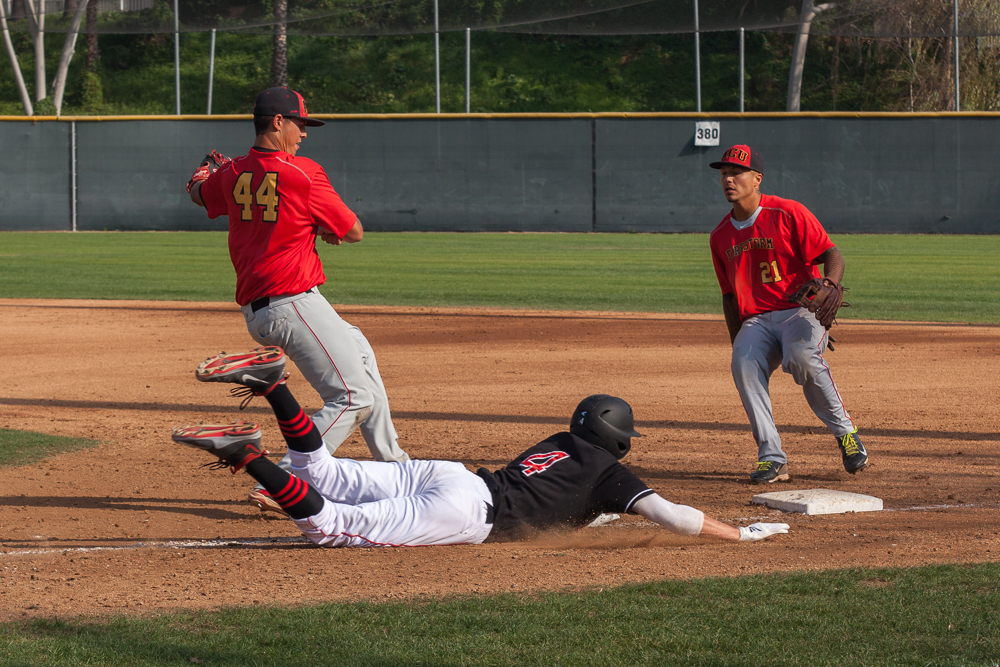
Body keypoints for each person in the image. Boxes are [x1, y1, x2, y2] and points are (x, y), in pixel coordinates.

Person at [172, 346, 790, 547]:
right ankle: (245, 454)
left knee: (321, 468)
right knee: (330, 526)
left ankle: (277, 387)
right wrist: (741, 534)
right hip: (464, 511)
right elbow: (675, 517)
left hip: (454, 476)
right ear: (615, 440)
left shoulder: (561, 441)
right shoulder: (610, 475)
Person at [186, 87, 410, 512]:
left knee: (361, 353)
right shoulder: (302, 172)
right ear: (277, 122)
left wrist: (199, 180)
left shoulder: (230, 173)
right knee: (352, 398)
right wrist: (324, 226)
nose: (304, 133)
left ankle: (398, 469)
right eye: (300, 123)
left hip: (269, 305)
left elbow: (200, 194)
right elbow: (354, 230)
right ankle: (283, 480)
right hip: (292, 302)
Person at [707, 144, 868, 484]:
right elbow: (728, 296)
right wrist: (740, 345)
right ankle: (772, 457)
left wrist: (830, 284)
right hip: (757, 320)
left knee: (801, 357)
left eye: (736, 172)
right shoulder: (720, 235)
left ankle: (846, 434)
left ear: (757, 179)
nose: (728, 179)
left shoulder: (787, 212)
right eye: (724, 173)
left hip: (800, 310)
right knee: (743, 364)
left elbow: (832, 254)